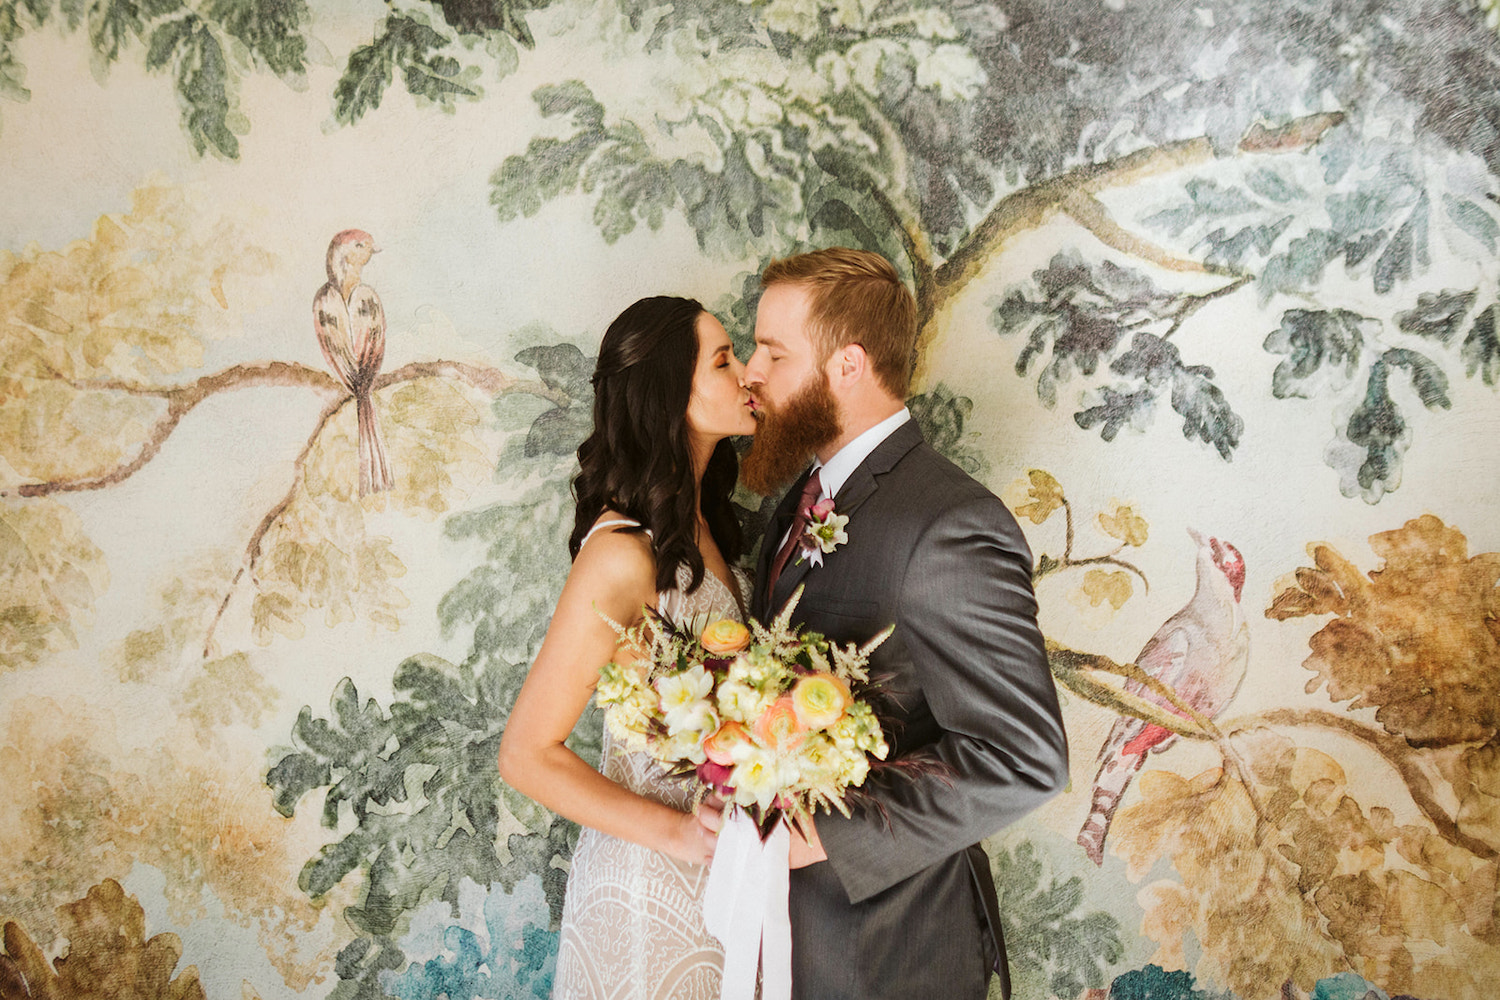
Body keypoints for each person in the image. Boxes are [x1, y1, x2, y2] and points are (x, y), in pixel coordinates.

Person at [735, 248, 1070, 999]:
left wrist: (822, 832)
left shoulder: (949, 523)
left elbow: (1025, 757)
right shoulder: (797, 498)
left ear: (847, 365)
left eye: (773, 352)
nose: (752, 371)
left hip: (889, 951)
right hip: (788, 941)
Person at [497, 295, 755, 1000]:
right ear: (672, 390)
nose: (749, 377)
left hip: (727, 890)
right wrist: (677, 837)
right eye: (727, 361)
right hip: (648, 891)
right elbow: (525, 753)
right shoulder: (620, 554)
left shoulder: (712, 529)